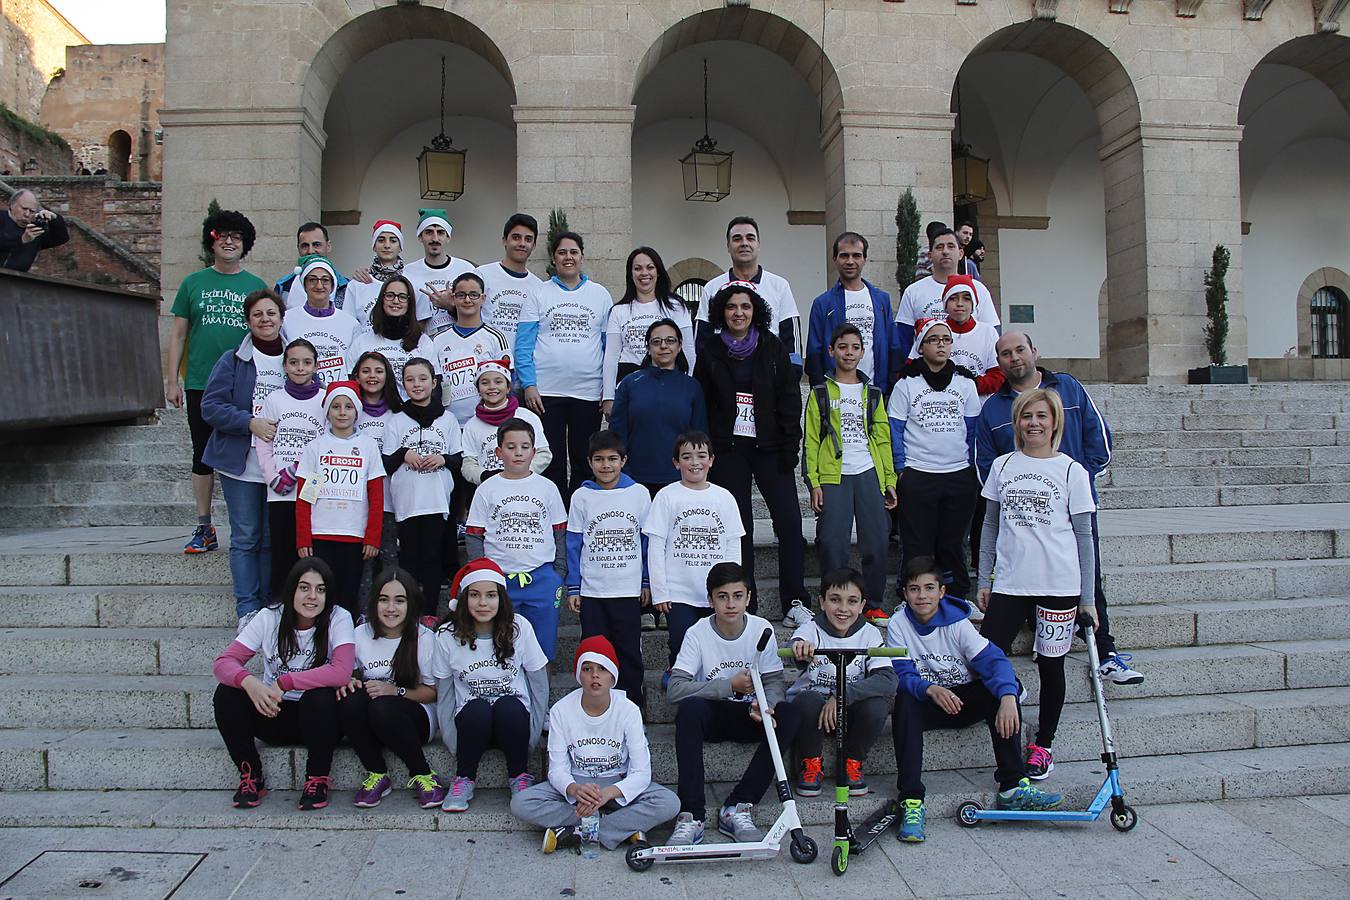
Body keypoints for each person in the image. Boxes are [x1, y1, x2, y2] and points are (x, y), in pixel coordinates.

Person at [976, 331, 1143, 686]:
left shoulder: (1068, 388)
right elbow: (985, 463)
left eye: (1020, 349)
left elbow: (1099, 441)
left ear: (1034, 351)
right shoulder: (993, 407)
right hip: (1022, 518)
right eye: (1005, 354)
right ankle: (1045, 641)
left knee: (1087, 578)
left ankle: (1106, 651)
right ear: (999, 362)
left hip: (1071, 510)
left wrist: (1072, 482)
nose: (1014, 358)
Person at [887, 556, 1061, 843]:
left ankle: (1012, 787)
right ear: (905, 593)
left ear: (942, 592)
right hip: (930, 701)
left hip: (965, 700)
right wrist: (930, 689)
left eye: (929, 588)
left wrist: (1008, 696)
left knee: (1002, 692)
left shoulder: (958, 623)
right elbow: (901, 674)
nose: (922, 596)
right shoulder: (898, 624)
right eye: (914, 589)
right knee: (906, 699)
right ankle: (911, 801)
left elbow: (994, 662)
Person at [978, 388, 1099, 781]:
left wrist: (1088, 597)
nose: (1034, 423)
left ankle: (1043, 745)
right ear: (1017, 422)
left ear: (1054, 422)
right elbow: (990, 526)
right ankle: (1009, 728)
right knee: (990, 659)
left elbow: (1084, 536)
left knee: (1051, 665)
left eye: (1041, 416)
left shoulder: (1071, 470)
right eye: (1027, 416)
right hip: (1011, 583)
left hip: (1058, 583)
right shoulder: (1002, 466)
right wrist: (984, 578)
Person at [694, 280, 810, 625]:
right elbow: (703, 401)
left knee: (789, 522)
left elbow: (789, 400)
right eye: (731, 307)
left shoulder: (772, 347)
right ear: (722, 312)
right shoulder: (711, 350)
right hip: (730, 450)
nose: (738, 313)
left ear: (755, 310)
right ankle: (748, 600)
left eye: (745, 306)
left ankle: (795, 600)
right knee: (739, 527)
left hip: (771, 447)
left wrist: (791, 446)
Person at [666, 562, 802, 845]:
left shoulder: (761, 628)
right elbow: (675, 689)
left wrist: (766, 706)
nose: (730, 604)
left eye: (738, 596)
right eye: (722, 596)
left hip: (751, 714)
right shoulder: (697, 632)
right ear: (710, 600)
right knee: (689, 710)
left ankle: (738, 806)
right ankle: (691, 813)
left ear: (749, 598)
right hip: (714, 714)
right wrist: (729, 686)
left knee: (789, 713)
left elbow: (775, 681)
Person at [513, 635, 680, 852]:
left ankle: (578, 830)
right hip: (579, 783)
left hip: (617, 785)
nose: (595, 676)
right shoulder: (561, 711)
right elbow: (557, 770)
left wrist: (609, 793)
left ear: (613, 676)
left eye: (602, 669)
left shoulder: (628, 710)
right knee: (520, 803)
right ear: (578, 675)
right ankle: (623, 827)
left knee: (669, 802)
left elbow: (641, 772)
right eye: (587, 669)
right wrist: (574, 789)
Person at [212, 557, 354, 811]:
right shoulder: (269, 617)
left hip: (322, 720)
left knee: (319, 695)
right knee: (227, 693)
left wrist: (286, 681)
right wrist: (250, 683)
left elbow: (342, 672)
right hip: (274, 711)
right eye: (304, 587)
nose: (312, 597)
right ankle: (251, 776)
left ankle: (317, 779)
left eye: (320, 590)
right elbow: (224, 662)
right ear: (291, 590)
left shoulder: (339, 617)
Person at [169, 209, 267, 554]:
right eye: (222, 235)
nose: (228, 241)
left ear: (245, 244)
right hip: (199, 381)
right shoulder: (192, 283)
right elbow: (179, 335)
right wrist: (171, 381)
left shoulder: (255, 286)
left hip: (244, 382)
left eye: (236, 237)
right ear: (212, 240)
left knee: (250, 453)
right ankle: (204, 526)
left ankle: (255, 525)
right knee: (202, 455)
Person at [432, 558, 550, 812]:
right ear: (464, 599)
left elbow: (539, 686)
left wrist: (533, 733)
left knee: (509, 705)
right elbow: (444, 693)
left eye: (490, 595)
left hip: (514, 725)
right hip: (472, 726)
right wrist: (452, 741)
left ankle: (519, 776)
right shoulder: (446, 635)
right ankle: (464, 777)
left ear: (501, 598)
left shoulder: (520, 628)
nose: (483, 603)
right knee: (477, 708)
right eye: (474, 595)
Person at [201, 289, 286, 618]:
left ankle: (268, 606)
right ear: (248, 321)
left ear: (281, 317)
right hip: (241, 463)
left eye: (271, 313)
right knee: (246, 536)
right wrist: (249, 422)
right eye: (258, 315)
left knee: (268, 538)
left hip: (280, 464)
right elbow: (210, 406)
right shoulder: (233, 359)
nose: (265, 320)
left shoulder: (295, 357)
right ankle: (247, 608)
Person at [804, 323, 897, 622]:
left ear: (862, 351)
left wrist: (890, 480)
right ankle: (834, 603)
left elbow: (883, 437)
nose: (849, 353)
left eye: (855, 347)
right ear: (831, 351)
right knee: (832, 542)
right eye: (842, 347)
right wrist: (814, 482)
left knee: (877, 540)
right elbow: (811, 439)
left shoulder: (872, 392)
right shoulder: (820, 391)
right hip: (834, 474)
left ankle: (873, 603)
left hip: (869, 471)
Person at [888, 319, 981, 602]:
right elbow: (895, 429)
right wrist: (902, 470)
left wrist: (970, 469)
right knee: (917, 544)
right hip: (919, 474)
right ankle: (911, 597)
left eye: (946, 339)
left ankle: (957, 596)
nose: (941, 344)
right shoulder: (906, 384)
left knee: (952, 544)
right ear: (921, 346)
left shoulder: (965, 383)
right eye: (934, 339)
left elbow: (973, 429)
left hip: (958, 474)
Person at [339, 569, 448, 809]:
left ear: (411, 604)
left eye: (399, 600)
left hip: (417, 716)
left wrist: (395, 691)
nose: (391, 608)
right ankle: (377, 774)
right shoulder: (359, 635)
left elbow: (433, 692)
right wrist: (348, 681)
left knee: (382, 706)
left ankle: (423, 774)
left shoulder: (425, 638)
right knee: (349, 698)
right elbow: (344, 674)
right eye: (384, 599)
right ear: (374, 602)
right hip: (374, 716)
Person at [516, 230, 612, 502]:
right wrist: (529, 384)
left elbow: (608, 348)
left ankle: (581, 513)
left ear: (582, 257)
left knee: (584, 458)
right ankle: (556, 516)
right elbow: (523, 345)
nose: (568, 257)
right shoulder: (538, 294)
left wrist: (606, 392)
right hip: (546, 393)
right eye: (562, 252)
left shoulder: (600, 295)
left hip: (588, 392)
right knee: (552, 458)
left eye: (573, 252)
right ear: (553, 258)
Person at [786, 567, 897, 798]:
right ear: (822, 602)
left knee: (877, 704)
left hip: (847, 708)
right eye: (835, 600)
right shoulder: (811, 628)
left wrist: (841, 696)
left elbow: (887, 679)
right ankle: (810, 762)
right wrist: (799, 649)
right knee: (806, 700)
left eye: (852, 601)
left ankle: (852, 761)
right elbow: (798, 642)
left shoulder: (870, 634)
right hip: (813, 712)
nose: (843, 609)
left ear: (862, 605)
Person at [465, 417, 568, 660]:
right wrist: (483, 574)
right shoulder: (487, 489)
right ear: (499, 452)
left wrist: (558, 573)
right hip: (499, 582)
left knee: (543, 651)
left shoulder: (547, 488)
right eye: (511, 447)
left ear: (534, 452)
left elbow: (560, 532)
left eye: (524, 447)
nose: (518, 453)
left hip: (542, 578)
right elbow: (474, 536)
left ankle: (539, 699)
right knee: (499, 648)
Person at [565, 431, 652, 712]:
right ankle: (597, 707)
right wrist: (574, 586)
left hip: (627, 590)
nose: (606, 465)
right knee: (593, 650)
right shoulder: (581, 496)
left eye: (612, 459)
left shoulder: (638, 494)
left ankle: (632, 709)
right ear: (589, 462)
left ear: (623, 460)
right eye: (599, 459)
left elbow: (646, 541)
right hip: (593, 591)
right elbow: (574, 544)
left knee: (628, 652)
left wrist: (646, 581)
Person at [643, 431, 744, 668]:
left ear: (711, 460)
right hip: (679, 593)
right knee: (681, 641)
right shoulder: (667, 496)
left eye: (701, 456)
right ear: (676, 463)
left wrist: (732, 588)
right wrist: (660, 591)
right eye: (687, 457)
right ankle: (677, 676)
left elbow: (732, 545)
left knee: (715, 645)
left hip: (715, 592)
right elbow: (656, 546)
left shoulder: (725, 498)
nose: (695, 462)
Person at [295, 381, 385, 617]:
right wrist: (303, 536)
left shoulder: (368, 446)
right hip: (320, 533)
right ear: (328, 412)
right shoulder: (316, 447)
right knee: (322, 594)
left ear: (357, 411)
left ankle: (345, 645)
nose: (342, 412)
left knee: (348, 595)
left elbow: (376, 495)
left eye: (348, 406)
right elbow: (306, 496)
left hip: (354, 535)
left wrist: (373, 536)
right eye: (336, 407)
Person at [381, 357, 462, 610]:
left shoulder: (447, 420)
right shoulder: (396, 420)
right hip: (407, 503)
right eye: (410, 380)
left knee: (432, 558)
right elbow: (386, 462)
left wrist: (442, 458)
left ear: (434, 382)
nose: (416, 384)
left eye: (422, 378)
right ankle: (409, 612)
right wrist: (404, 454)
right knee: (409, 560)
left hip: (436, 501)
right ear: (403, 384)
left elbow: (459, 460)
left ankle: (428, 612)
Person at [609, 319, 707, 499]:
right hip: (635, 479)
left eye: (670, 341)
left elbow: (699, 435)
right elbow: (617, 433)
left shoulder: (692, 387)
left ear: (679, 346)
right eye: (656, 341)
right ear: (648, 347)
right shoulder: (630, 384)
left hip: (680, 478)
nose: (663, 346)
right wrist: (624, 472)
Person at [256, 338, 324, 596]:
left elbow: (326, 448)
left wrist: (299, 473)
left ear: (316, 366)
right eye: (293, 362)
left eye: (307, 362)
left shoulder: (325, 399)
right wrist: (273, 477)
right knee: (282, 552)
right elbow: (263, 443)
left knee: (308, 554)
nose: (300, 368)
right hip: (279, 492)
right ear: (284, 366)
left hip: (311, 491)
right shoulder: (274, 399)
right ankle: (279, 608)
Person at [694, 217, 802, 375]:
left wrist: (790, 379)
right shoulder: (712, 288)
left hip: (768, 377)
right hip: (723, 377)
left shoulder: (780, 286)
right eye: (737, 239)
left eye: (750, 238)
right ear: (728, 246)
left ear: (758, 245)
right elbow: (701, 341)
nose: (744, 243)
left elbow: (791, 339)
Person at [603, 246, 695, 413]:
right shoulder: (619, 311)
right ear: (631, 274)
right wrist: (608, 397)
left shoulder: (676, 307)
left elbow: (688, 350)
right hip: (629, 388)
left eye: (650, 267)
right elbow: (611, 356)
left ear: (658, 272)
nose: (644, 273)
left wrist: (687, 386)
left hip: (669, 384)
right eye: (637, 268)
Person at [805, 232, 901, 390]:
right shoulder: (823, 303)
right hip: (836, 392)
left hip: (876, 390)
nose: (850, 261)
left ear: (865, 259)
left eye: (856, 255)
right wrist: (820, 391)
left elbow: (893, 345)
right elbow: (814, 352)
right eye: (844, 256)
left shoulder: (881, 300)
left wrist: (891, 386)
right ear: (834, 259)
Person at [895, 228, 999, 359]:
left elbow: (992, 335)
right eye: (939, 247)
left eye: (951, 246)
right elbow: (904, 339)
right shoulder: (913, 291)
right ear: (930, 255)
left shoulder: (979, 290)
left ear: (961, 253)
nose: (945, 251)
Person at [432, 272, 512, 425]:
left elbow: (508, 382)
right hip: (450, 424)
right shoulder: (438, 340)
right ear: (453, 299)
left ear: (483, 299)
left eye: (473, 295)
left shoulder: (496, 337)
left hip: (486, 422)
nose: (467, 300)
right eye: (461, 295)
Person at [351, 351, 401, 597]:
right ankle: (362, 616)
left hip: (389, 499)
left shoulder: (398, 413)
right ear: (357, 376)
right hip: (354, 501)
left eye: (378, 371)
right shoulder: (348, 410)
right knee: (363, 563)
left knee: (389, 559)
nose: (372, 376)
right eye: (366, 371)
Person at [460, 358, 551, 487]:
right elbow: (468, 464)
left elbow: (543, 454)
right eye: (485, 383)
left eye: (498, 382)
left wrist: (521, 474)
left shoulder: (527, 417)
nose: (492, 387)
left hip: (526, 485)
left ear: (508, 387)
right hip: (489, 488)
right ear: (478, 389)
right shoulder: (472, 425)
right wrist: (485, 476)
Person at [346, 275, 435, 402]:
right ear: (382, 299)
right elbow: (352, 386)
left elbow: (435, 388)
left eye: (402, 297)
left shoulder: (423, 342)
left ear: (410, 303)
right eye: (390, 295)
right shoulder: (362, 342)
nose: (396, 301)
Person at [912, 275, 1002, 396]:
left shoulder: (988, 332)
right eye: (953, 298)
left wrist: (972, 385)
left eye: (966, 298)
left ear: (973, 304)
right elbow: (912, 367)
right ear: (945, 304)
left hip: (979, 403)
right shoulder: (932, 330)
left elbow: (998, 376)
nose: (959, 304)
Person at [281, 255, 361, 388]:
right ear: (304, 284)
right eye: (313, 280)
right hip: (299, 394)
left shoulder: (351, 324)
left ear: (332, 285)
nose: (319, 285)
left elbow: (354, 368)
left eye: (325, 280)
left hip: (337, 399)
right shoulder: (286, 320)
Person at [476, 213, 543, 355]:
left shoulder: (539, 287)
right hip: (487, 363)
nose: (522, 244)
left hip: (521, 368)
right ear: (504, 241)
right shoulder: (482, 275)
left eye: (528, 239)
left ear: (534, 245)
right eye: (516, 237)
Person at [403, 209, 473, 333]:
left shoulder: (466, 269)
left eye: (440, 232)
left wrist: (450, 306)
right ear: (420, 237)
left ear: (448, 237)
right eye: (429, 232)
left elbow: (478, 313)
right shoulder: (407, 272)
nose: (435, 238)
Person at [273, 222, 363, 309]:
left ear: (328, 246)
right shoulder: (284, 286)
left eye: (316, 245)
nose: (310, 251)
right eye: (305, 246)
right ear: (298, 249)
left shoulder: (346, 286)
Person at [341, 220, 406, 326]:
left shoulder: (410, 280)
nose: (387, 245)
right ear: (374, 246)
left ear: (400, 247)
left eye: (393, 241)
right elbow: (348, 324)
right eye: (381, 240)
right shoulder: (357, 283)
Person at [0, 188, 69, 271]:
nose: (27, 214)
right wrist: (22, 239)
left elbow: (61, 238)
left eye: (32, 211)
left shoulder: (34, 230)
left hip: (16, 280)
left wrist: (55, 219)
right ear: (12, 205)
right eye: (24, 209)